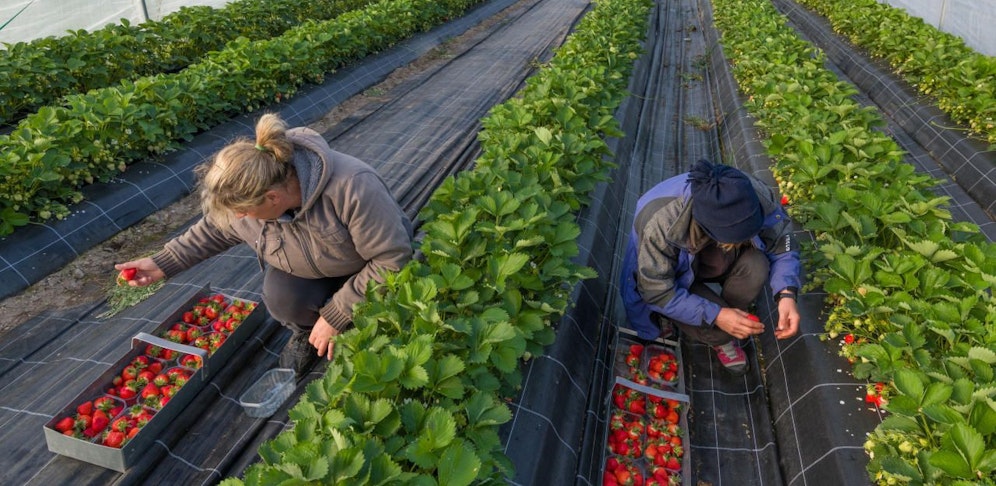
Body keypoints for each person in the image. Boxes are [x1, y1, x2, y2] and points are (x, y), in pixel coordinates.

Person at [115, 113, 414, 377]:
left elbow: (391, 259)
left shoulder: (352, 186)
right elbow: (216, 229)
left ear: (273, 198)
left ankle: (355, 326)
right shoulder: (253, 199)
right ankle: (308, 333)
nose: (240, 218)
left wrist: (336, 314)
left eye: (244, 211)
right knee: (281, 297)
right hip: (315, 268)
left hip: (369, 266)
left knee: (385, 309)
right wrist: (163, 262)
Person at [619, 159, 801, 375]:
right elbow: (656, 291)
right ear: (709, 228)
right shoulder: (659, 223)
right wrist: (716, 316)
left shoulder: (747, 192)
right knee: (720, 332)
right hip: (669, 280)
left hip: (706, 259)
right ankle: (719, 331)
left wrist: (787, 293)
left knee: (757, 265)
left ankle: (729, 316)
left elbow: (780, 238)